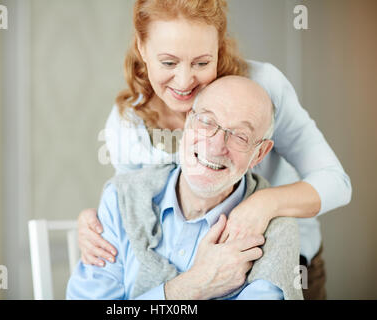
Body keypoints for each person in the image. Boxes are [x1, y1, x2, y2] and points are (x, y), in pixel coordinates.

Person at [77, 0, 352, 300]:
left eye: (201, 62)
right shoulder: (129, 123)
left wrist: (262, 206)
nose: (184, 82)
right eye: (169, 62)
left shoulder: (264, 86)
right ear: (142, 47)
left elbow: (336, 182)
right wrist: (95, 223)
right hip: (179, 278)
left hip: (277, 262)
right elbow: (130, 204)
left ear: (219, 48)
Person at [67, 76, 302, 300]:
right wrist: (192, 286)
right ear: (188, 120)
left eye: (240, 136)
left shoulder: (276, 231)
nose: (217, 145)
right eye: (208, 121)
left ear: (258, 153)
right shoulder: (121, 198)